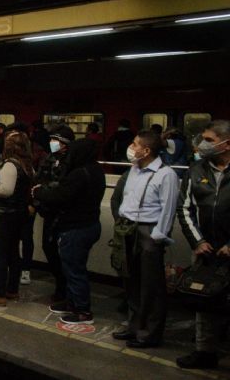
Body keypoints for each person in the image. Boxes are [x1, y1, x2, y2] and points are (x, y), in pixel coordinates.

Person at [110, 130, 179, 348]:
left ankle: (149, 333)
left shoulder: (165, 175)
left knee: (151, 285)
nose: (131, 147)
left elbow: (168, 209)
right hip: (128, 229)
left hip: (149, 232)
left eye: (135, 144)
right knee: (131, 280)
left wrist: (158, 236)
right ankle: (134, 326)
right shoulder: (134, 170)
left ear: (146, 150)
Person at [32, 138, 106, 325]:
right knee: (74, 267)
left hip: (75, 227)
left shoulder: (79, 173)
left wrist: (38, 192)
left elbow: (60, 195)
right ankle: (72, 302)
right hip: (90, 224)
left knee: (74, 270)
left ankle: (82, 310)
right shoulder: (96, 170)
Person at [175, 120, 230, 369]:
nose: (203, 144)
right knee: (203, 301)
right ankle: (204, 351)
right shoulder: (196, 170)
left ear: (225, 143)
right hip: (205, 248)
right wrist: (197, 241)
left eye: (209, 139)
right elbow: (184, 208)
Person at [0, 131, 34, 306]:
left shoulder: (10, 165)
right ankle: (12, 290)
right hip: (20, 214)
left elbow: (5, 190)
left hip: (6, 215)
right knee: (13, 253)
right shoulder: (27, 165)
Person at [33, 125, 75, 301]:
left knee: (67, 253)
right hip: (48, 212)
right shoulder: (49, 159)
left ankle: (67, 289)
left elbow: (63, 188)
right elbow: (39, 181)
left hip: (66, 214)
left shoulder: (72, 162)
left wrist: (45, 190)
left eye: (56, 140)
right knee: (48, 247)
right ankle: (60, 282)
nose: (52, 143)